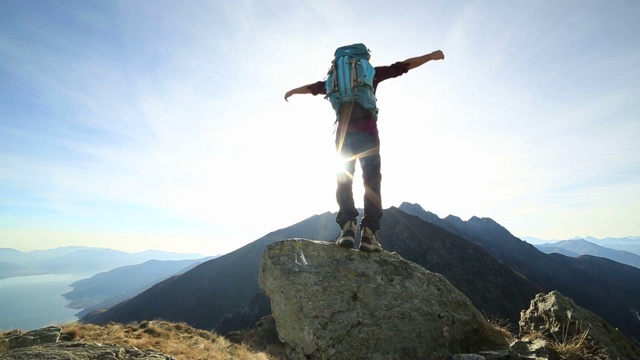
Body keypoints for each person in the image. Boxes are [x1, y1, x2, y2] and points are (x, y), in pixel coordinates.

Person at [284, 46, 445, 252]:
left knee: (344, 179)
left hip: (343, 137)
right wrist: (430, 57)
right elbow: (403, 66)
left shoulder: (333, 82)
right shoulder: (370, 74)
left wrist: (293, 91)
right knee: (371, 180)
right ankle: (369, 234)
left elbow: (313, 88)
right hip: (368, 134)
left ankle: (348, 228)